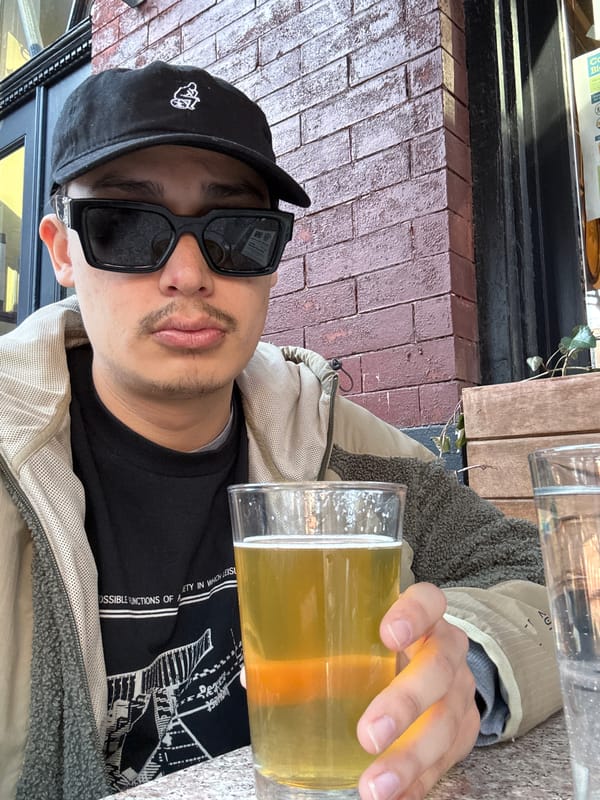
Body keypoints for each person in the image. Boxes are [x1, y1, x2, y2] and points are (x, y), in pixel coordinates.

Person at [0, 61, 561, 800]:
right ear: (62, 250)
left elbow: (558, 578)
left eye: (235, 233)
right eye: (129, 226)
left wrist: (471, 661)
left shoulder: (340, 444)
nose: (190, 274)